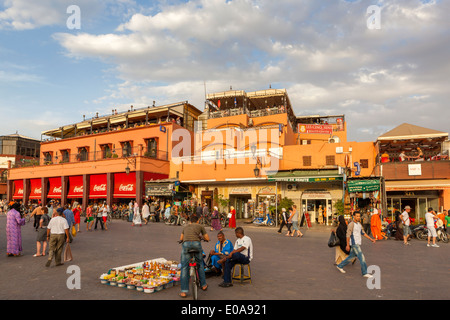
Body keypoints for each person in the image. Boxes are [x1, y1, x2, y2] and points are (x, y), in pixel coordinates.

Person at [336, 211, 376, 278]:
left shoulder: (359, 224)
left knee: (351, 256)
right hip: (354, 244)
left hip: (358, 242)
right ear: (353, 216)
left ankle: (340, 266)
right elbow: (348, 235)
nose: (358, 217)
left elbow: (363, 233)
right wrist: (347, 245)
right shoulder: (351, 224)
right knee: (362, 257)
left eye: (359, 216)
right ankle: (364, 272)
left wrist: (371, 239)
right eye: (357, 216)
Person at [178, 215, 210, 298]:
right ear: (197, 221)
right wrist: (203, 238)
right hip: (196, 244)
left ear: (190, 221)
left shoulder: (185, 227)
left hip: (186, 245)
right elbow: (207, 238)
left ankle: (183, 292)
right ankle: (203, 285)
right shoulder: (200, 226)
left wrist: (182, 240)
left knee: (184, 267)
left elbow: (181, 238)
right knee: (200, 264)